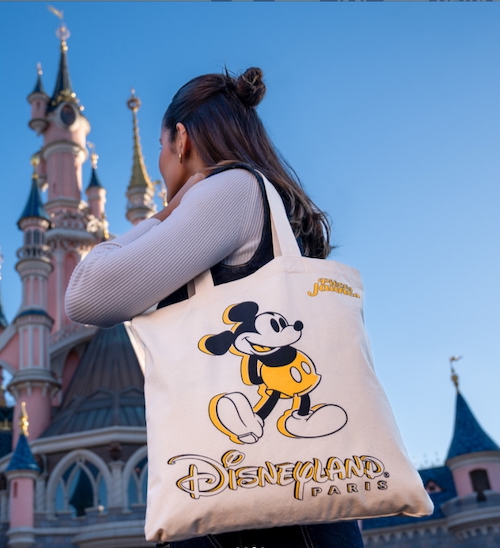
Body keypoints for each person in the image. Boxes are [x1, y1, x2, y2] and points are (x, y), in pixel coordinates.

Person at [65, 67, 364, 548]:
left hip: (254, 510)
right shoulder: (263, 198)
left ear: (181, 140)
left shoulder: (230, 190)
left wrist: (164, 212)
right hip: (298, 490)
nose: (163, 167)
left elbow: (87, 293)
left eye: (163, 149)